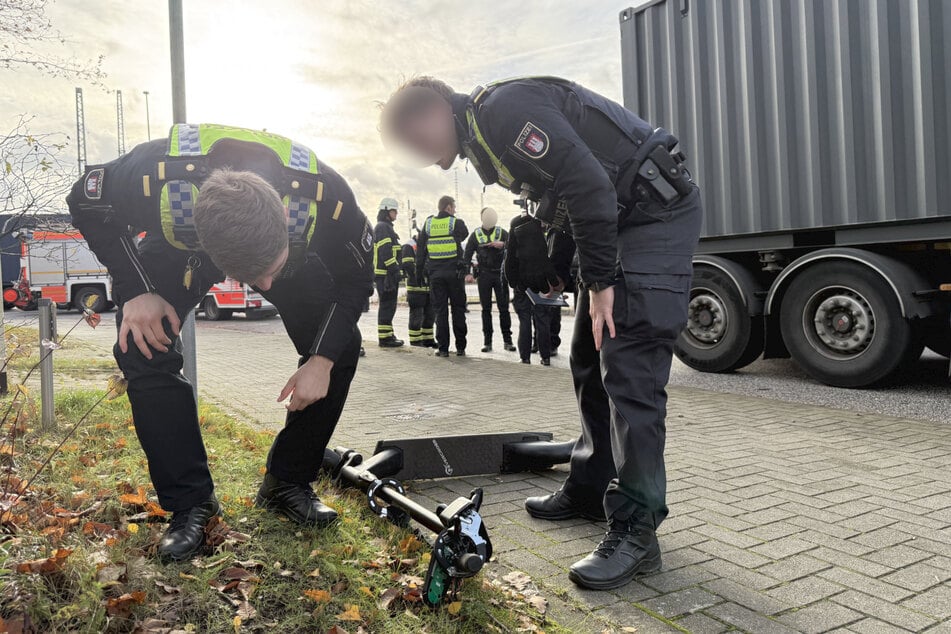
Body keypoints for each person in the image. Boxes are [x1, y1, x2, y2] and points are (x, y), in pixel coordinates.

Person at [381, 76, 702, 590]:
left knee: (630, 371)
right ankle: (590, 487)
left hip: (654, 216)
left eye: (411, 137)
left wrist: (598, 281)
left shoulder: (503, 112)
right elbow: (567, 192)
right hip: (619, 220)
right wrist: (560, 261)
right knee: (587, 357)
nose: (414, 153)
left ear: (436, 110)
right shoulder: (483, 135)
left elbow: (590, 184)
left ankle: (637, 533)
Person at [67, 124, 374, 562]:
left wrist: (321, 359)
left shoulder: (326, 196)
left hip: (293, 251)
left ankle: (287, 480)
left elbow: (357, 279)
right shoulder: (147, 175)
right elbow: (85, 200)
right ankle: (192, 504)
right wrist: (136, 289)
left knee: (340, 343)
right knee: (141, 345)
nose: (265, 286)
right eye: (253, 278)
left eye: (270, 271)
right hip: (179, 248)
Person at [416, 195, 468, 357]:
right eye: (453, 207)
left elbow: (421, 251)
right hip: (454, 274)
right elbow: (464, 235)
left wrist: (419, 274)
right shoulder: (456, 223)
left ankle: (444, 348)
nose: (455, 210)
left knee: (440, 312)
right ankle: (460, 347)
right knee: (458, 310)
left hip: (435, 275)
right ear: (448, 207)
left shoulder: (429, 223)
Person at [463, 207, 515, 353]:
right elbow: (467, 255)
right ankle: (487, 342)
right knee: (486, 309)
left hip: (500, 274)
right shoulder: (476, 234)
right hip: (484, 275)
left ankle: (507, 341)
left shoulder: (502, 232)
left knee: (504, 308)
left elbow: (514, 246)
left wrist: (503, 245)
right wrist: (467, 273)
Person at [373, 197, 404, 347]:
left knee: (389, 305)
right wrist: (395, 270)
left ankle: (388, 334)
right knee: (387, 305)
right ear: (386, 211)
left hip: (386, 274)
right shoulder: (383, 228)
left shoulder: (385, 227)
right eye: (394, 211)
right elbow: (385, 252)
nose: (396, 214)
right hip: (386, 275)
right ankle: (385, 338)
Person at [401, 233, 435, 347]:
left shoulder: (428, 245)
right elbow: (408, 265)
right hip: (415, 288)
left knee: (430, 315)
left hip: (428, 288)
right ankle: (415, 341)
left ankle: (428, 340)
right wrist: (422, 273)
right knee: (417, 316)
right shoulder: (409, 246)